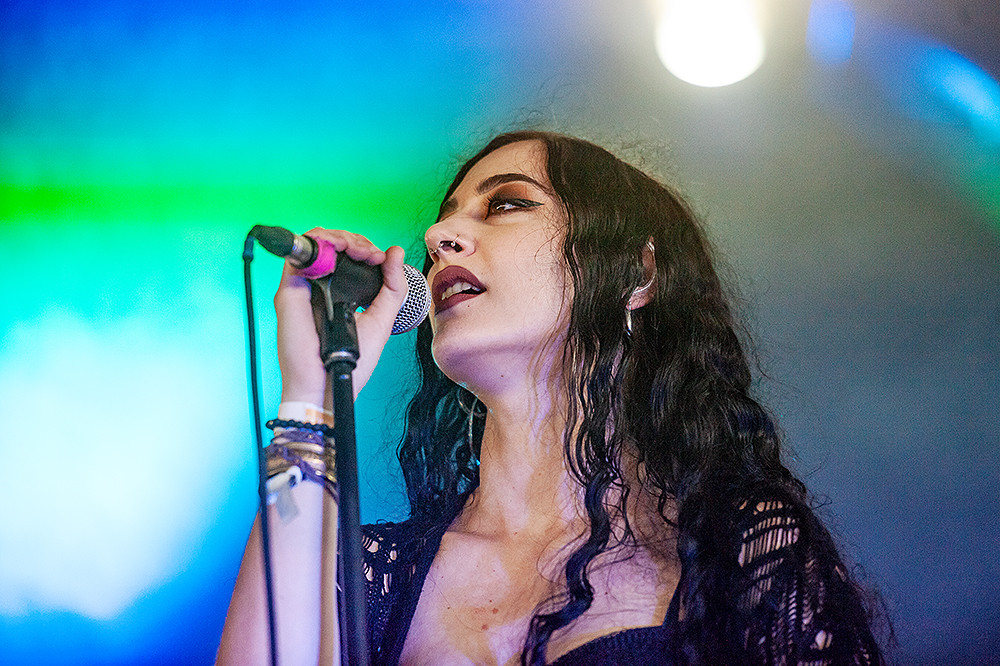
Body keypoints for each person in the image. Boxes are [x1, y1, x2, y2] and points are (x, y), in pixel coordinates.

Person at [218, 131, 884, 665]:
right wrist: (311, 398)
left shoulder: (735, 550)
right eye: (445, 219)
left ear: (635, 273)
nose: (439, 238)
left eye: (506, 204)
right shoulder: (373, 576)